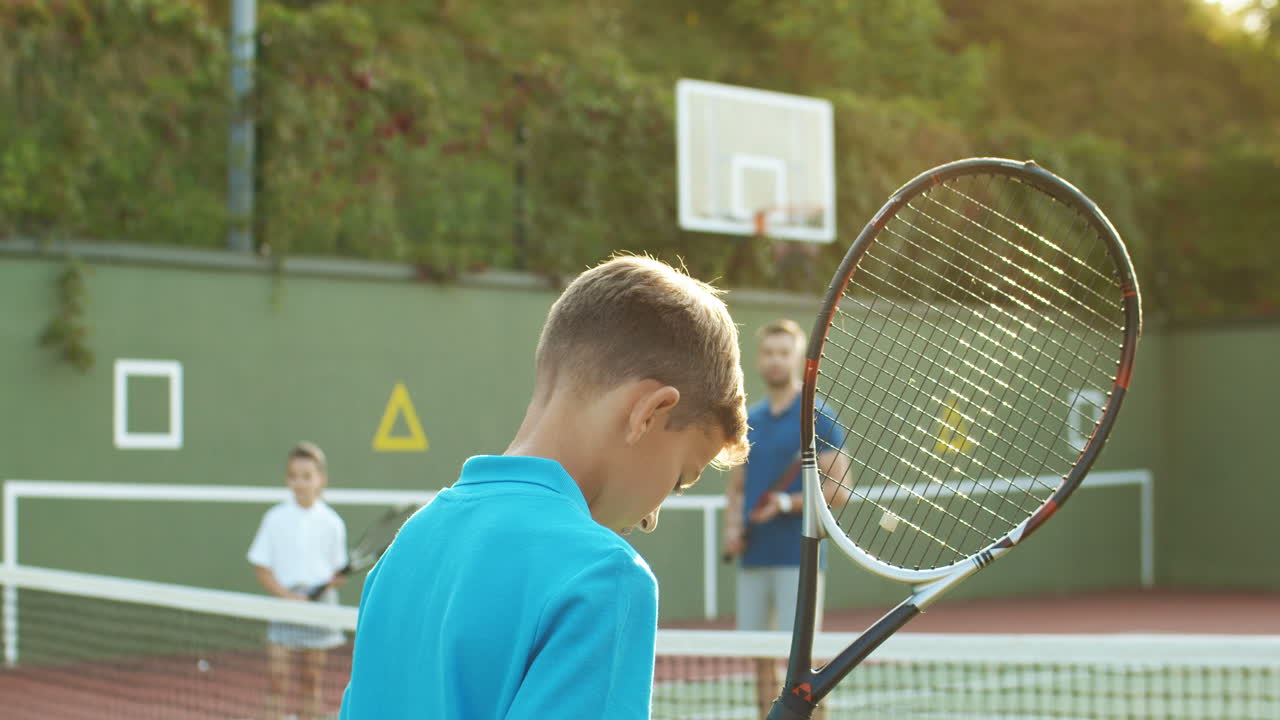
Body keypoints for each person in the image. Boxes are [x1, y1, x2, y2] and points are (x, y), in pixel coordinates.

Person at [339, 255, 751, 719]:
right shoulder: (606, 576)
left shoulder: (408, 545)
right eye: (679, 479)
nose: (650, 518)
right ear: (649, 413)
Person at [722, 318, 847, 719]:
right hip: (754, 556)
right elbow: (737, 488)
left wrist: (786, 503)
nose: (775, 360)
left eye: (783, 352)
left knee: (802, 666)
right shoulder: (750, 419)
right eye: (769, 352)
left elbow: (838, 490)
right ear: (760, 359)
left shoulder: (818, 417)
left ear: (796, 358)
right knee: (759, 658)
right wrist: (732, 529)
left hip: (800, 558)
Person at [247, 441, 349, 720]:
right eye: (294, 476)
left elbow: (336, 574)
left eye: (307, 476)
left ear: (320, 480)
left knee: (311, 681)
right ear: (287, 479)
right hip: (284, 605)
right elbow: (262, 570)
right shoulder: (274, 518)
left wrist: (331, 583)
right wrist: (289, 598)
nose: (300, 483)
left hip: (319, 608)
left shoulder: (332, 522)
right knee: (277, 680)